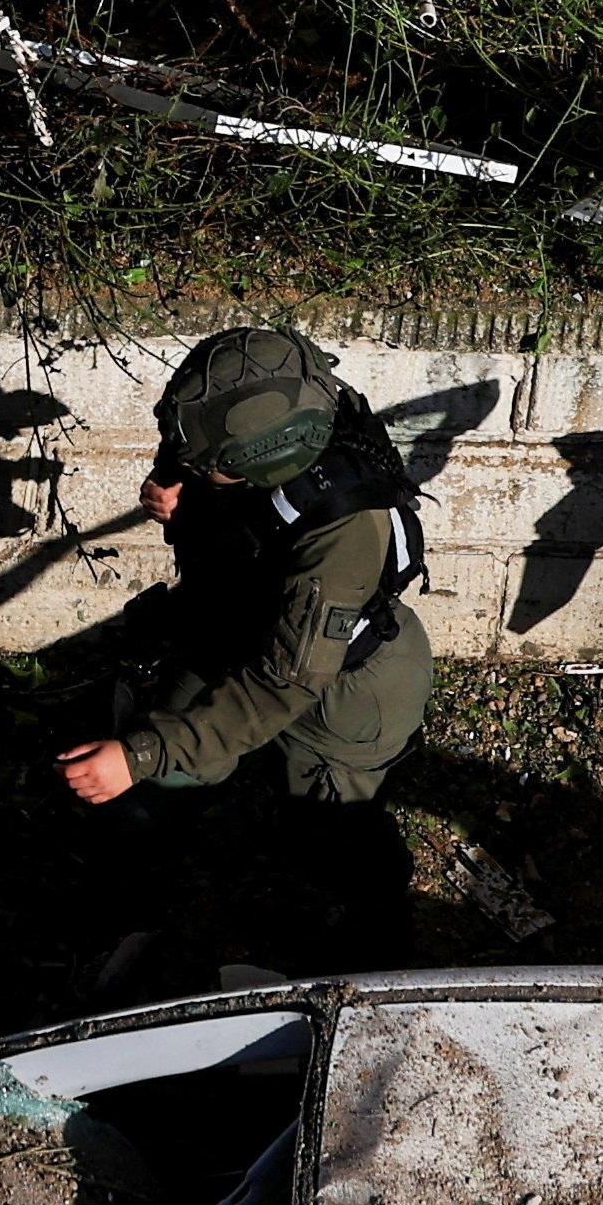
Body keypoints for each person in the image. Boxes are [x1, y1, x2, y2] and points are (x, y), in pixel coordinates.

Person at [53, 329, 437, 937]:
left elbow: (283, 684)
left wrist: (137, 756)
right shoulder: (291, 411)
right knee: (161, 771)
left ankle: (378, 944)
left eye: (210, 467)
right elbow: (224, 480)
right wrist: (177, 492)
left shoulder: (346, 527)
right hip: (242, 624)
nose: (196, 465)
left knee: (333, 836)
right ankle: (130, 883)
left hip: (340, 689)